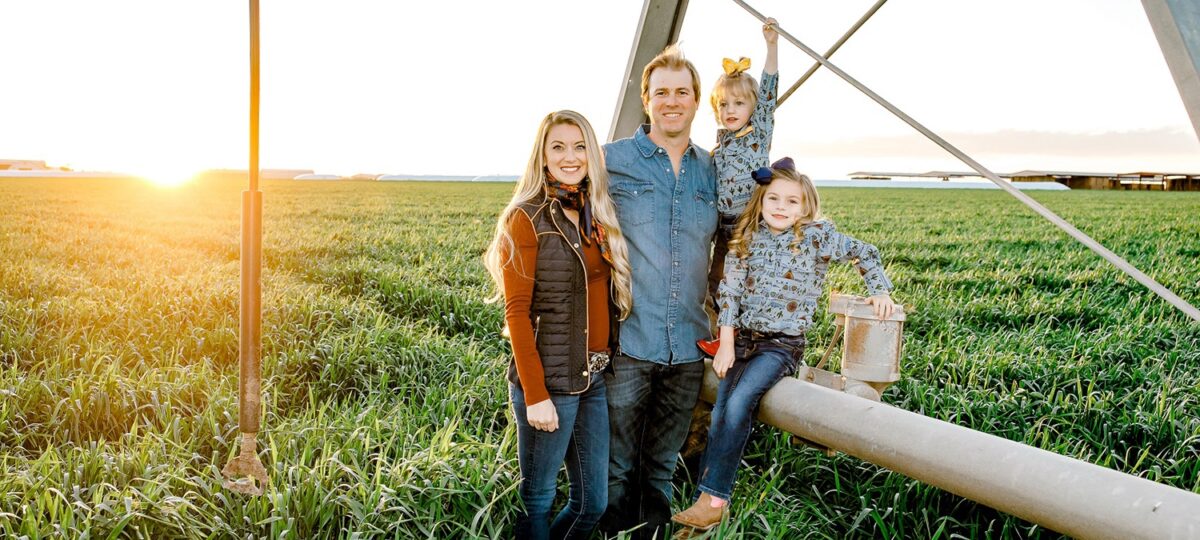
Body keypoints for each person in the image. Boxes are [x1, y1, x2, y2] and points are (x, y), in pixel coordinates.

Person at [672, 157, 896, 531]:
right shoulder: (748, 238)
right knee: (722, 410)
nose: (781, 208)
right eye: (773, 199)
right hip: (743, 341)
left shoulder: (815, 238)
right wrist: (725, 344)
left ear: (806, 206)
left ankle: (714, 499)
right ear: (761, 201)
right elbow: (729, 293)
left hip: (782, 345)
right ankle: (706, 496)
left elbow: (865, 252)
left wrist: (880, 292)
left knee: (742, 402)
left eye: (792, 201)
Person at [484, 110, 634, 539]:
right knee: (538, 498)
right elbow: (515, 313)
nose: (570, 157)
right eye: (558, 147)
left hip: (593, 378)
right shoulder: (525, 218)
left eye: (580, 146)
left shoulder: (595, 216)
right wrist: (535, 396)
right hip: (548, 384)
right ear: (543, 156)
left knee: (592, 503)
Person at [598, 44, 718, 538]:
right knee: (618, 467)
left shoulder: (711, 171)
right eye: (662, 92)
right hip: (630, 339)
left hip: (689, 346)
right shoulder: (611, 161)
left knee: (662, 469)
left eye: (683, 92)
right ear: (646, 99)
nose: (673, 101)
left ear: (696, 102)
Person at [706, 17, 780, 308]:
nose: (730, 110)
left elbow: (770, 92)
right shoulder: (718, 148)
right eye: (723, 104)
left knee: (750, 281)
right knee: (718, 280)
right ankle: (719, 336)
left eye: (739, 103)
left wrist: (771, 46)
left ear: (753, 107)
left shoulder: (758, 133)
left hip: (750, 223)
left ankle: (749, 337)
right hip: (723, 227)